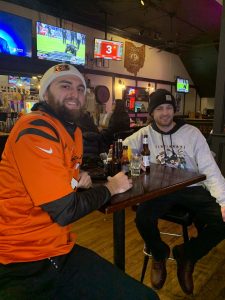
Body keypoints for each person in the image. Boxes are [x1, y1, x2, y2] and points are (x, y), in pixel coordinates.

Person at [0, 63, 159, 300]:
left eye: (80, 88)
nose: (74, 93)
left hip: (57, 248)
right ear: (45, 93)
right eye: (65, 86)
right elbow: (65, 211)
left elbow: (57, 179)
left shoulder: (72, 131)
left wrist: (74, 178)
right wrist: (111, 187)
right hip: (20, 260)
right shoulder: (36, 128)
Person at [123, 88, 225, 295]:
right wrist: (132, 158)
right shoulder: (144, 134)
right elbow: (122, 148)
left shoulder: (192, 133)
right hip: (160, 190)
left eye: (169, 108)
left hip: (192, 187)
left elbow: (209, 168)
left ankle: (187, 254)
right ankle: (159, 254)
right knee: (142, 218)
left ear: (174, 110)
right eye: (159, 108)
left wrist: (224, 201)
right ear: (151, 113)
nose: (165, 113)